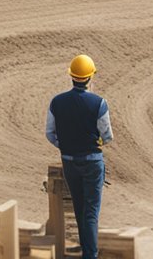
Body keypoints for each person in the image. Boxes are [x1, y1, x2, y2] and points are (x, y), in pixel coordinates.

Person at [46, 54, 113, 259]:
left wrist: (65, 146)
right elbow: (107, 136)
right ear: (90, 77)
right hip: (92, 162)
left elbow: (50, 133)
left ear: (71, 76)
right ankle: (90, 255)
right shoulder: (99, 103)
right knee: (91, 213)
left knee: (79, 208)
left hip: (69, 162)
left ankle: (86, 251)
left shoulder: (57, 102)